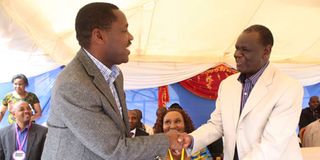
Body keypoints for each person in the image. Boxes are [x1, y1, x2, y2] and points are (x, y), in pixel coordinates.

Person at [41, 2, 180, 160]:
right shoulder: (74, 84)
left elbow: (121, 136)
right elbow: (114, 149)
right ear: (99, 36)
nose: (131, 37)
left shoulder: (115, 75)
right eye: (124, 30)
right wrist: (167, 140)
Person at [178, 24, 304, 160]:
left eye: (245, 50)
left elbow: (272, 145)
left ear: (266, 51)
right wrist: (191, 139)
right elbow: (217, 125)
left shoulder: (288, 87)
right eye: (237, 48)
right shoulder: (227, 85)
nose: (237, 54)